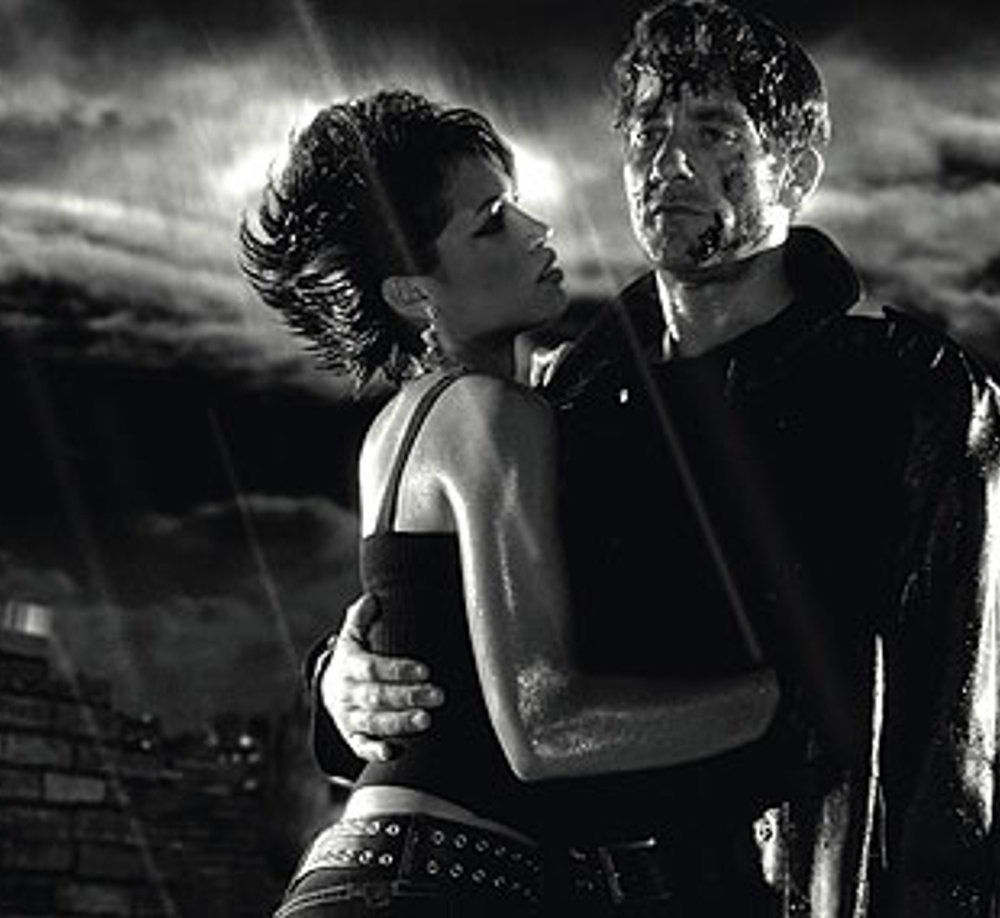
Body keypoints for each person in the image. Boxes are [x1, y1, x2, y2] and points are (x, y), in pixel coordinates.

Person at [315, 0, 1000, 917]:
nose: (670, 163)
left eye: (714, 130)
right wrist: (338, 682)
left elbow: (962, 727)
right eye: (647, 132)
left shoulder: (909, 389)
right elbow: (469, 639)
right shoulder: (567, 396)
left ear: (795, 170)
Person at [239, 87, 781, 917]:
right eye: (491, 223)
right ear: (413, 293)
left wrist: (333, 676)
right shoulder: (493, 416)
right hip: (439, 885)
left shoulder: (403, 426)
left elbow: (424, 631)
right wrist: (785, 702)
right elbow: (543, 726)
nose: (537, 230)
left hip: (370, 872)